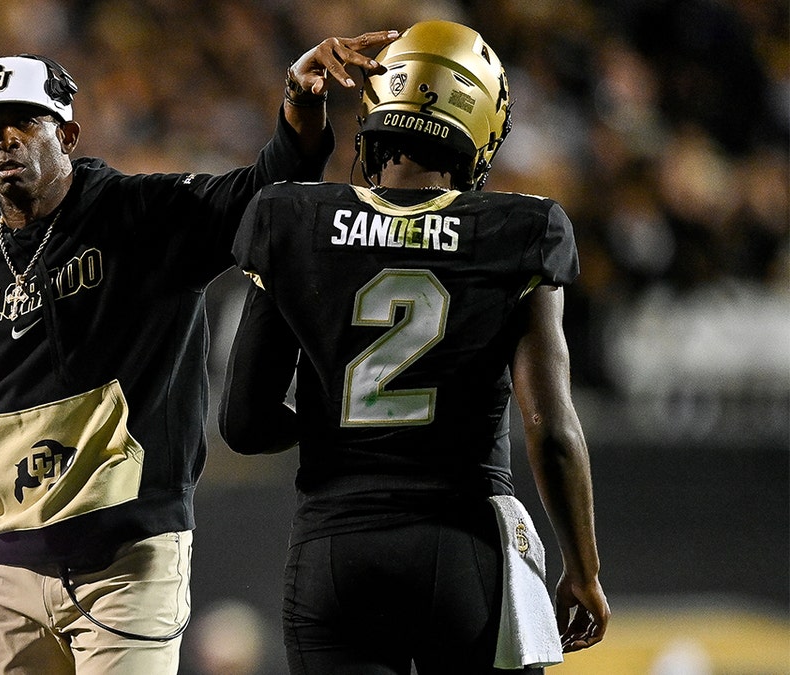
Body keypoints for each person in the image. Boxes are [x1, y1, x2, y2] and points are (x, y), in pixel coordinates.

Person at [0, 33, 399, 675]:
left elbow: (266, 193)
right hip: (7, 569)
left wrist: (299, 106)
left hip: (130, 558)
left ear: (67, 134)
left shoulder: (142, 215)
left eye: (23, 121)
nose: (5, 141)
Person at [219, 20, 610, 674]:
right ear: (481, 125)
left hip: (331, 552)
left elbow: (244, 423)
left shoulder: (289, 218)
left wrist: (338, 420)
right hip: (462, 548)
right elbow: (553, 430)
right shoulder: (523, 228)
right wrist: (584, 569)